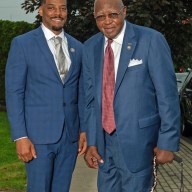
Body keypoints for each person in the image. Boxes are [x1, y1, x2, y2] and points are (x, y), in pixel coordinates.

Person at [83, 0, 180, 191]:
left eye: (113, 14)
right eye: (100, 17)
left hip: (139, 143)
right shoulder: (90, 47)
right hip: (104, 146)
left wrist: (167, 142)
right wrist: (92, 142)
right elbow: (91, 100)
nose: (107, 21)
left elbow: (167, 96)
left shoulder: (151, 40)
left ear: (124, 12)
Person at [5, 0, 86, 191]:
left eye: (63, 8)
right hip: (37, 139)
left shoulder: (78, 48)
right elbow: (14, 93)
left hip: (69, 138)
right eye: (51, 7)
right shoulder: (22, 44)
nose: (58, 13)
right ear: (41, 11)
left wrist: (83, 130)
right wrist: (20, 136)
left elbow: (81, 92)